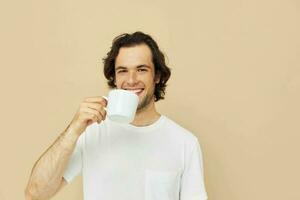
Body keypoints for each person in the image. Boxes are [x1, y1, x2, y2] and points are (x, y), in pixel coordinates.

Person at [25, 31, 208, 200]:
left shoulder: (185, 143)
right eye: (123, 71)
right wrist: (73, 130)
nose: (131, 80)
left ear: (157, 76)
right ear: (114, 78)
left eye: (141, 69)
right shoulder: (92, 131)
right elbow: (35, 193)